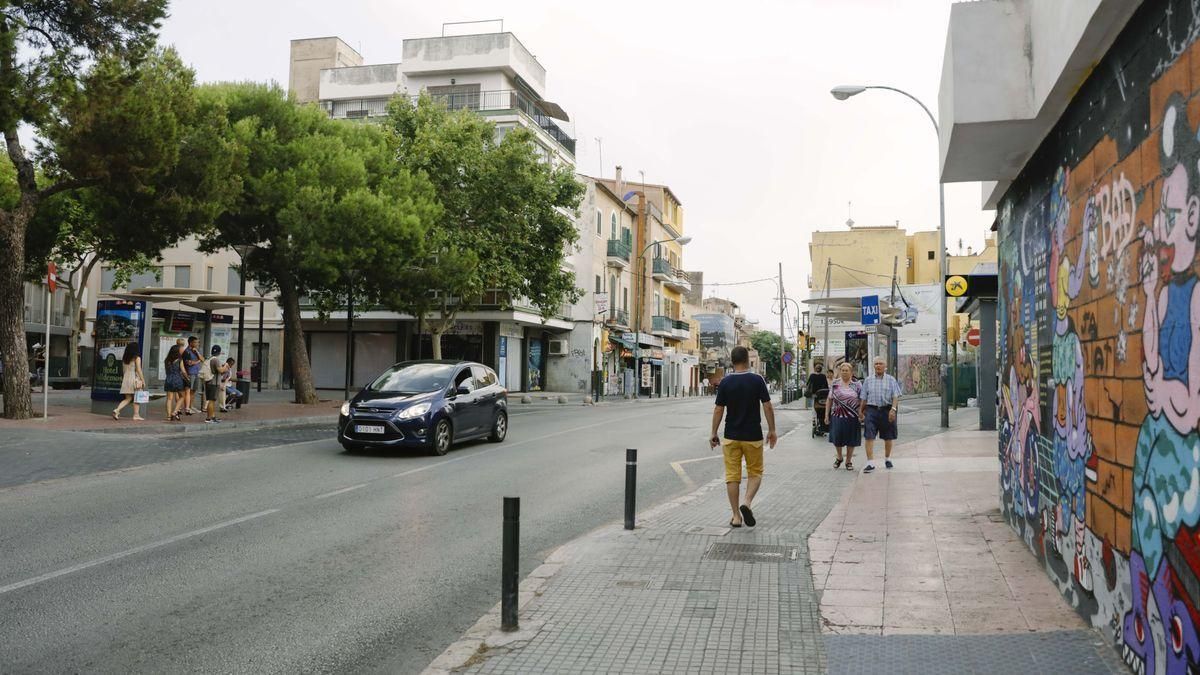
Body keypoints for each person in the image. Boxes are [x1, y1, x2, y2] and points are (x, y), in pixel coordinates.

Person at [709, 345, 777, 528]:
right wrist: (772, 430)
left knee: (732, 476)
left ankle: (736, 516)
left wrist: (714, 432)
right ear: (747, 360)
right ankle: (746, 502)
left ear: (732, 361)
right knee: (755, 473)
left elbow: (718, 409)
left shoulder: (725, 382)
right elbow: (767, 406)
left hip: (731, 436)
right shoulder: (757, 380)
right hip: (753, 436)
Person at [862, 356, 903, 473]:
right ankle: (870, 463)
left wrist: (893, 409)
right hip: (871, 410)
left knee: (888, 436)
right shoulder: (868, 380)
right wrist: (860, 411)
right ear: (873, 366)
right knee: (869, 435)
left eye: (880, 364)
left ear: (885, 367)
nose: (878, 366)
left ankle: (888, 458)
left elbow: (895, 396)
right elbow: (864, 398)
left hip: (887, 410)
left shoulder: (891, 380)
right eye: (876, 364)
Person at [826, 363, 863, 471]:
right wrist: (826, 415)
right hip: (837, 415)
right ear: (840, 371)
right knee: (837, 438)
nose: (844, 372)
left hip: (853, 416)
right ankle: (840, 457)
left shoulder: (857, 385)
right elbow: (829, 399)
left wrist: (861, 412)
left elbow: (862, 400)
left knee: (851, 439)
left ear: (851, 372)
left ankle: (848, 461)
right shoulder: (835, 384)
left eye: (847, 370)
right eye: (842, 370)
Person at [112, 342, 145, 421]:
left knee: (128, 398)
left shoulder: (125, 358)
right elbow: (138, 370)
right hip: (134, 379)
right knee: (137, 398)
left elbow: (124, 370)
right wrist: (143, 380)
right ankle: (136, 415)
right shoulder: (137, 358)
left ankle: (117, 410)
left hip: (126, 379)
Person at [203, 346, 230, 423]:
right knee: (212, 401)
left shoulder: (209, 359)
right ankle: (209, 418)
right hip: (213, 383)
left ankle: (212, 416)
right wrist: (225, 366)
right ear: (219, 352)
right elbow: (221, 370)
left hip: (208, 381)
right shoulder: (216, 360)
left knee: (211, 400)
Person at [163, 345, 187, 421]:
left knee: (169, 399)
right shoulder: (180, 360)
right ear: (177, 351)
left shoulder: (166, 360)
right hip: (177, 380)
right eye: (180, 349)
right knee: (182, 396)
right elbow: (183, 371)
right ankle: (175, 411)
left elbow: (167, 371)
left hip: (169, 379)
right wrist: (187, 378)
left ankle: (168, 417)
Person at [182, 336, 202, 415]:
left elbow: (203, 359)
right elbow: (189, 363)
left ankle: (191, 406)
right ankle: (187, 407)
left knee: (193, 391)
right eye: (196, 342)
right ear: (191, 343)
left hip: (196, 373)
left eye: (198, 342)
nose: (197, 344)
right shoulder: (187, 352)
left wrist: (197, 353)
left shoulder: (196, 351)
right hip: (190, 373)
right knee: (188, 391)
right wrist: (197, 361)